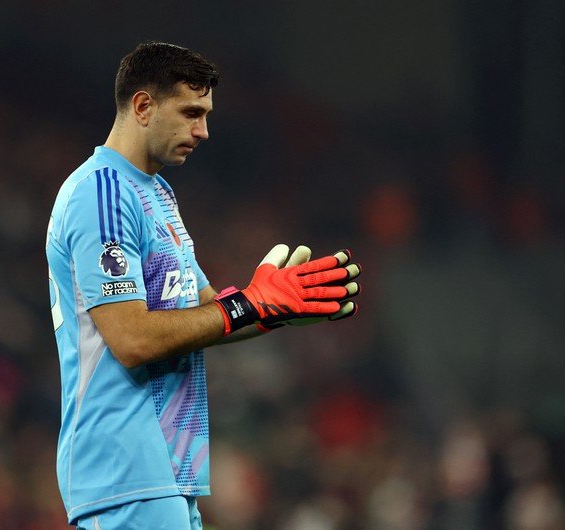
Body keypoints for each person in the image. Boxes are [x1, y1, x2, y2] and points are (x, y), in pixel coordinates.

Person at [45, 41, 361, 529]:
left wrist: (277, 308)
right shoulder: (102, 194)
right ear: (143, 106)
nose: (204, 130)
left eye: (207, 113)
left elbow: (208, 313)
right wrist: (250, 304)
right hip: (123, 468)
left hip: (169, 470)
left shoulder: (156, 194)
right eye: (191, 112)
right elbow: (132, 339)